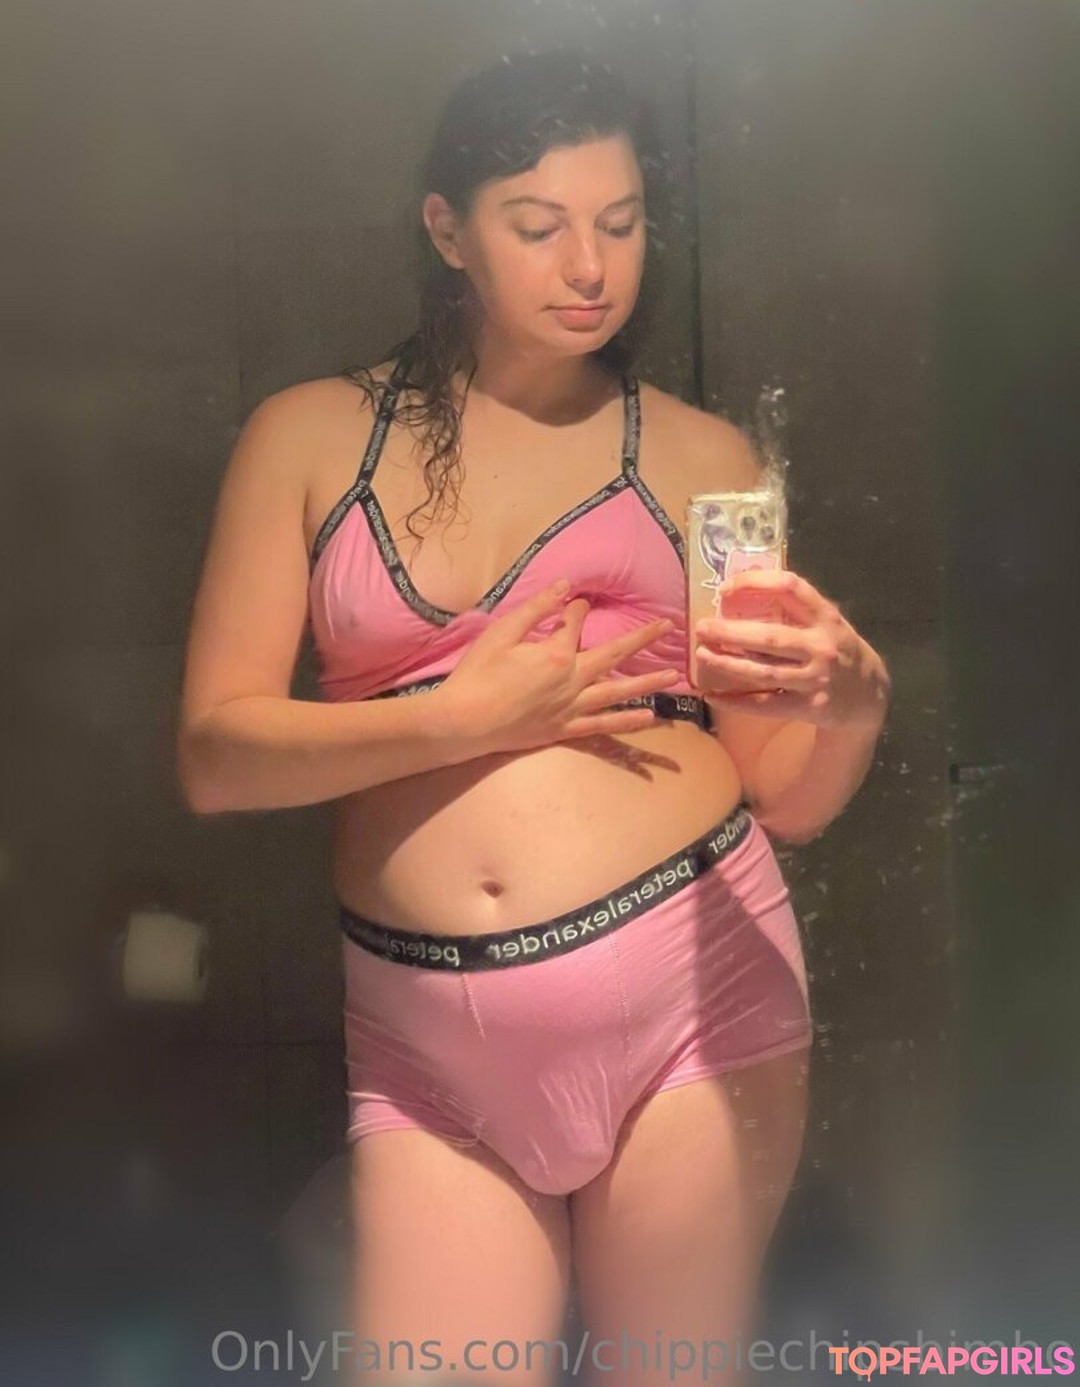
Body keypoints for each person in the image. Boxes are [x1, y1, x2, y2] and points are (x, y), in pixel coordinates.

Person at [177, 49, 891, 1387]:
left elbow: (784, 792)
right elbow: (217, 757)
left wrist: (851, 713)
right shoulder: (305, 438)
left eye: (620, 223)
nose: (589, 267)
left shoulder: (708, 462)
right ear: (447, 229)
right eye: (539, 224)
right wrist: (462, 719)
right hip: (427, 1051)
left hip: (689, 1002)